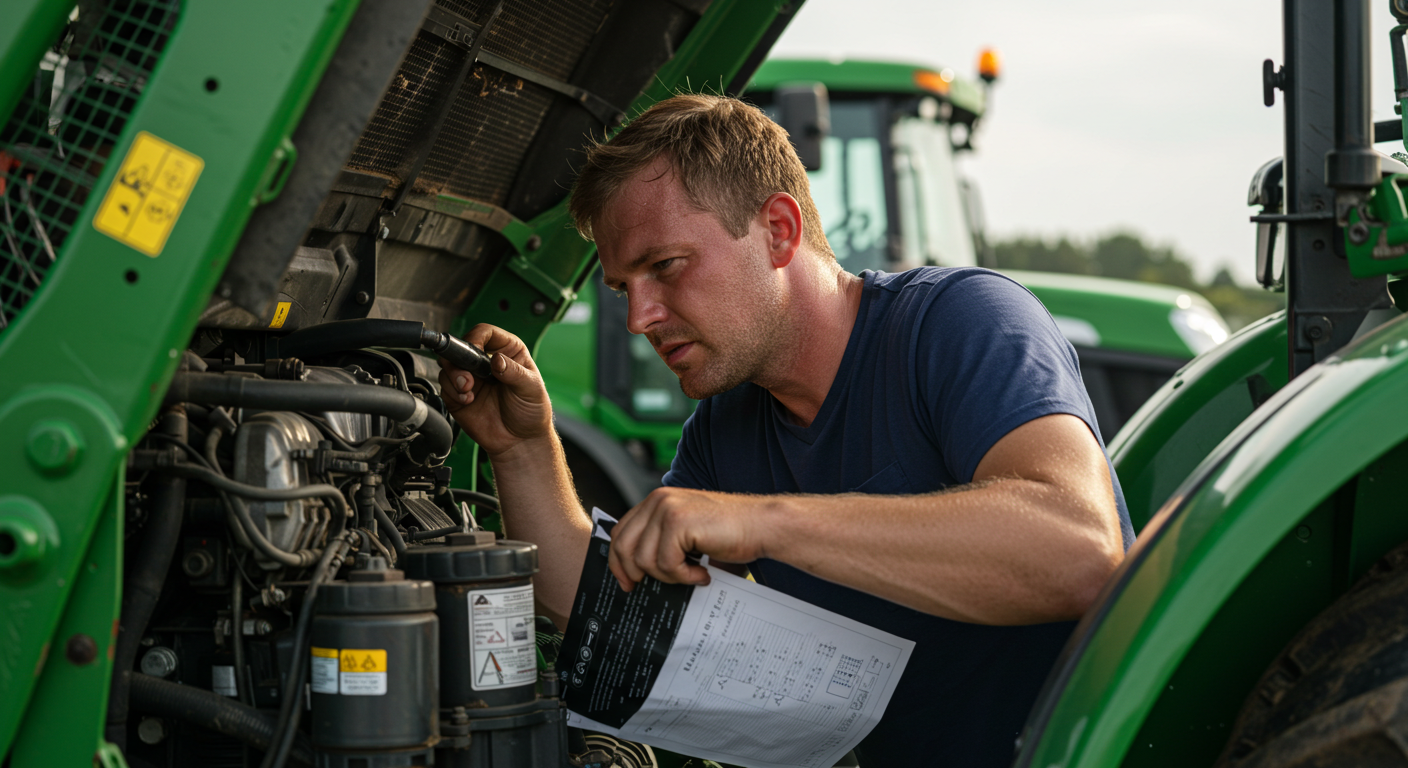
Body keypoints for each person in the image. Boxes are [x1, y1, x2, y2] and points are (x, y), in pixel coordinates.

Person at [438, 94, 1132, 767]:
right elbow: (615, 618)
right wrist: (520, 446)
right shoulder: (727, 427)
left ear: (778, 230)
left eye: (665, 267)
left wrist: (763, 523)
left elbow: (1079, 555)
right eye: (624, 288)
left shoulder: (957, 324)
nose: (639, 318)